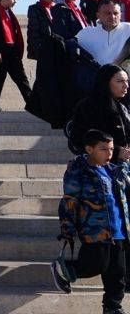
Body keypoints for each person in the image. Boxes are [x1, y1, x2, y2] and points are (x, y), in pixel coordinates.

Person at [53, 128, 130, 311]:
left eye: (111, 149)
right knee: (95, 266)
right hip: (95, 230)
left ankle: (112, 308)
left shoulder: (115, 171)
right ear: (89, 149)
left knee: (118, 275)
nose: (109, 153)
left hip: (119, 231)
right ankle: (65, 269)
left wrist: (125, 161)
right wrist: (67, 229)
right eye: (103, 149)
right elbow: (69, 202)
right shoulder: (78, 172)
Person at [67, 65, 130, 161]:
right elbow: (80, 139)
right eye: (120, 81)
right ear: (106, 82)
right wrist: (116, 151)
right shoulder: (88, 106)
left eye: (126, 81)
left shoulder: (121, 106)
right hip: (99, 169)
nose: (126, 86)